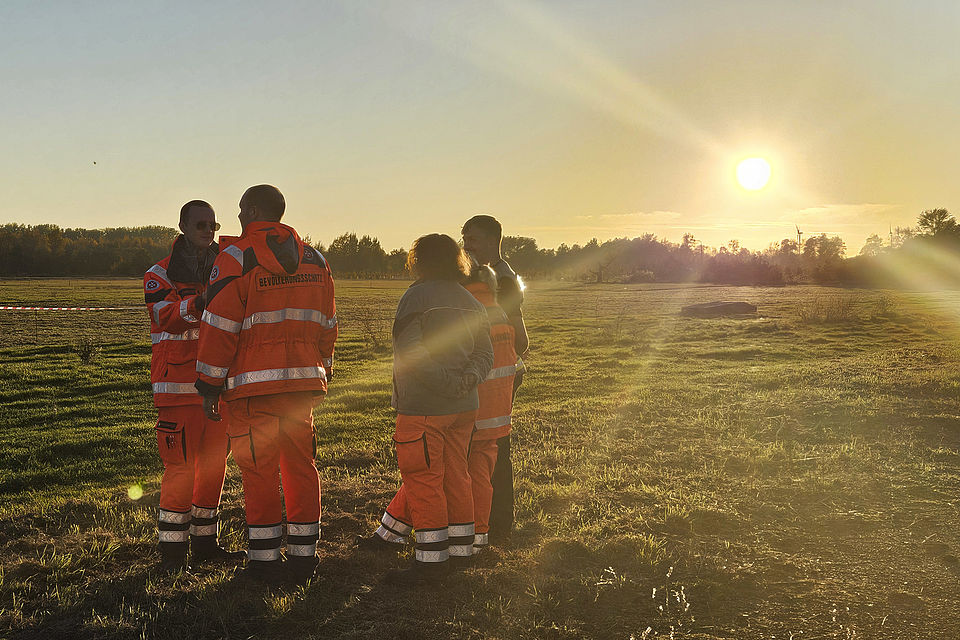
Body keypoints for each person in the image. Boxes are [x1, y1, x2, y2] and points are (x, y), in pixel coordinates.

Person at [194, 185, 337, 585]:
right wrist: (321, 371)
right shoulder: (316, 259)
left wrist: (208, 385)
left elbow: (219, 327)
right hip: (302, 387)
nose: (237, 217)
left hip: (251, 391)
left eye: (241, 210)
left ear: (254, 210)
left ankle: (264, 562)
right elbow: (328, 324)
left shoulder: (235, 258)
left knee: (259, 472)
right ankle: (305, 557)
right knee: (301, 468)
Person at [357, 234, 493, 585]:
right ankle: (461, 551)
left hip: (425, 408)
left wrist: (447, 384)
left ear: (418, 260)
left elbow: (411, 352)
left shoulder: (416, 296)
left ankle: (431, 561)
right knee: (456, 475)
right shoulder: (470, 299)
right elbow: (485, 355)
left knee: (423, 479)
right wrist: (465, 381)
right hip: (465, 407)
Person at [144, 199, 242, 572]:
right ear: (183, 226)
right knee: (181, 470)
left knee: (214, 468)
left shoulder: (227, 267)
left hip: (219, 388)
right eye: (200, 224)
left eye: (213, 225)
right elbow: (164, 316)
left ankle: (205, 545)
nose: (207, 231)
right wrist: (203, 301)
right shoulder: (159, 274)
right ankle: (171, 557)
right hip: (179, 390)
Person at [461, 215, 528, 542]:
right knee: (487, 450)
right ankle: (485, 523)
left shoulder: (501, 280)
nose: (465, 245)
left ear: (491, 240)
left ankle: (496, 524)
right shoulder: (488, 275)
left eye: (471, 239)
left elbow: (522, 340)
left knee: (494, 450)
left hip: (495, 378)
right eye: (464, 238)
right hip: (490, 375)